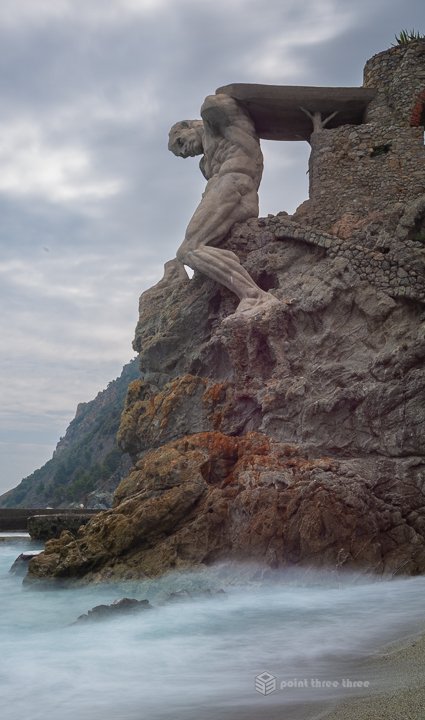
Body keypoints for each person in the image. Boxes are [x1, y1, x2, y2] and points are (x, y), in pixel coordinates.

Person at [168, 93, 277, 314]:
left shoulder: (215, 123)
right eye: (179, 154)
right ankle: (234, 269)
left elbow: (220, 103)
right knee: (195, 248)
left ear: (188, 126)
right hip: (231, 192)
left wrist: (209, 109)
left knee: (189, 249)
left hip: (235, 183)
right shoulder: (205, 164)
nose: (184, 151)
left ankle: (254, 296)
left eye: (180, 142)